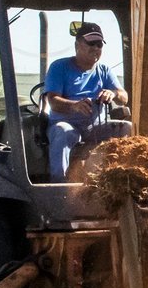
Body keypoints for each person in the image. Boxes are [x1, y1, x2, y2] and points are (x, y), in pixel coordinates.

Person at [44, 21, 132, 180]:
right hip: (67, 123)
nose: (96, 48)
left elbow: (124, 97)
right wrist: (74, 106)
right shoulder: (59, 67)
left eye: (99, 44)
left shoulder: (104, 70)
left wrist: (112, 93)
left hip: (95, 127)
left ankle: (124, 179)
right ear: (77, 45)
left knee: (128, 128)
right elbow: (53, 101)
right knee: (63, 132)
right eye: (91, 43)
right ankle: (59, 185)